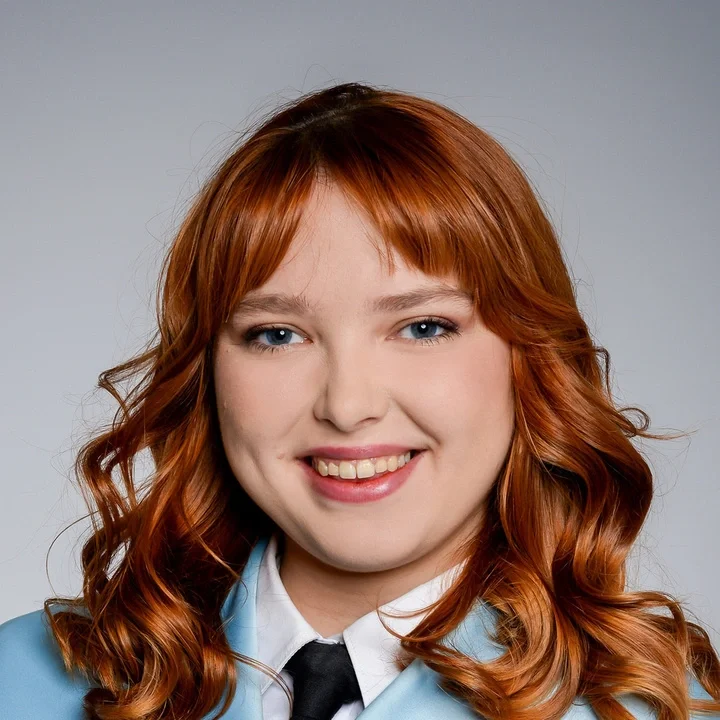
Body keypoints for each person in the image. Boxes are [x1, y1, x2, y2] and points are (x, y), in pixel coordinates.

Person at [0, 82, 718, 720]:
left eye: (423, 327)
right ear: (207, 371)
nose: (347, 406)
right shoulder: (21, 681)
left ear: (528, 357)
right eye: (277, 334)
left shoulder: (658, 711)